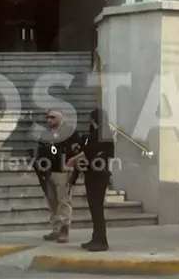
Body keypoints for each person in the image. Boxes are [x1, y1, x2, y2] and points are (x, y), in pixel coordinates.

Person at [67, 108, 115, 252]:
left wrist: (73, 159)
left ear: (93, 119)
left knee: (96, 208)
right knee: (95, 208)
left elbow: (88, 153)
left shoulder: (99, 135)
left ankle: (101, 240)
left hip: (97, 176)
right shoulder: (104, 134)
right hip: (97, 174)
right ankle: (97, 238)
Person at [35, 109, 81, 243]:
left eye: (52, 117)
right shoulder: (45, 133)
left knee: (64, 202)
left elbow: (78, 151)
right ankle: (56, 229)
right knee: (52, 202)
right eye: (48, 117)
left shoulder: (70, 132)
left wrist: (72, 165)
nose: (49, 120)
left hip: (63, 172)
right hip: (48, 172)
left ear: (60, 118)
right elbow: (41, 151)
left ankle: (64, 229)